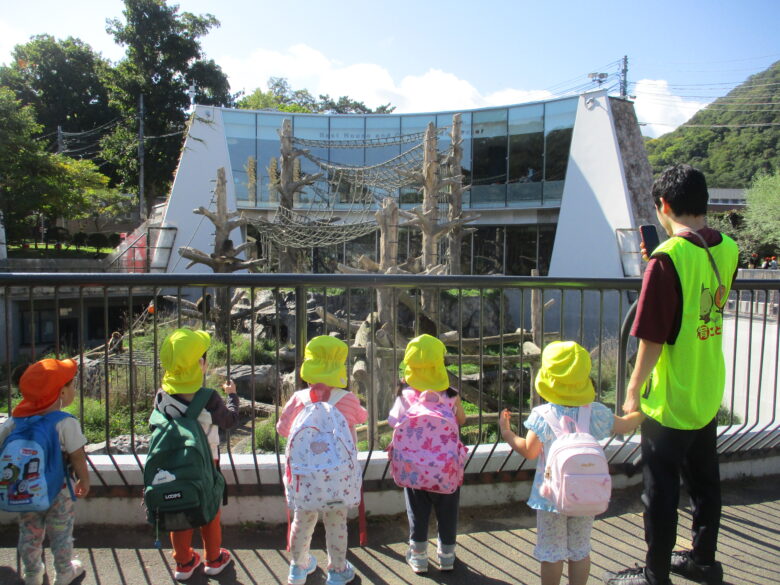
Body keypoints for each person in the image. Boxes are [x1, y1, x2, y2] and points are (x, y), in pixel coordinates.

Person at [603, 164, 739, 585]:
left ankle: (654, 574)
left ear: (663, 206)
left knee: (659, 490)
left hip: (670, 396)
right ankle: (703, 560)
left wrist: (631, 391)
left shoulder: (666, 261)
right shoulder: (728, 248)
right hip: (706, 386)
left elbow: (653, 339)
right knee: (704, 482)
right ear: (704, 204)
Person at [498, 341, 643, 585]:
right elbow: (627, 424)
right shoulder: (595, 413)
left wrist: (507, 433)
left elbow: (529, 451)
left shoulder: (543, 416)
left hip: (550, 497)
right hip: (586, 494)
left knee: (552, 552)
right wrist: (642, 411)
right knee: (580, 549)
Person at [276, 335, 367, 585]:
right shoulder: (346, 400)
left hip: (304, 476)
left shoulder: (298, 399)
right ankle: (338, 571)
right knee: (336, 522)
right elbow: (362, 417)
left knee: (302, 520)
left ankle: (297, 567)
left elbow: (283, 430)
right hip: (337, 477)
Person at [154, 328, 239, 581]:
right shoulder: (208, 398)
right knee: (209, 509)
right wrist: (232, 395)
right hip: (206, 462)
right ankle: (214, 559)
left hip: (170, 465)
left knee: (178, 508)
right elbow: (230, 420)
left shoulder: (161, 395)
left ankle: (184, 562)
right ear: (201, 364)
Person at [0, 358, 90, 585]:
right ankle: (64, 573)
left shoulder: (14, 422)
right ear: (61, 393)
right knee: (61, 534)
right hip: (58, 491)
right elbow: (78, 456)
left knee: (29, 533)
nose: (73, 389)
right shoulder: (65, 423)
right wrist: (84, 480)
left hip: (25, 491)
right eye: (71, 385)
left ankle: (32, 574)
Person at [387, 334, 467, 574]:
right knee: (448, 511)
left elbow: (393, 422)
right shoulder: (450, 395)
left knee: (417, 512)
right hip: (446, 468)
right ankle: (447, 556)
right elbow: (461, 420)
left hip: (414, 468)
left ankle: (419, 556)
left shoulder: (405, 395)